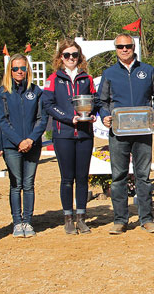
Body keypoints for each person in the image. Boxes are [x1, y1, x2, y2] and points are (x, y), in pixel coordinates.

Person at [96, 33, 154, 234]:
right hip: (118, 132)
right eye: (120, 47)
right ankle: (120, 220)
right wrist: (105, 116)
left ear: (134, 47)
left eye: (128, 46)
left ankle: (146, 218)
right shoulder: (109, 74)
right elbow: (101, 101)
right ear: (116, 49)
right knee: (118, 176)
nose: (124, 49)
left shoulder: (147, 70)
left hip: (143, 131)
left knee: (143, 176)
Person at [43, 39, 97, 235]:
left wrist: (92, 115)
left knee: (82, 178)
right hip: (63, 134)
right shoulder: (53, 79)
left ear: (79, 57)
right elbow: (48, 104)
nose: (71, 58)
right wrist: (68, 118)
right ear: (60, 58)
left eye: (74, 55)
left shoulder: (87, 79)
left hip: (84, 134)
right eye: (67, 55)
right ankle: (68, 218)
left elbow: (95, 101)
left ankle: (81, 218)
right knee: (67, 178)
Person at [0, 54, 48, 238]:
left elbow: (41, 119)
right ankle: (17, 222)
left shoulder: (36, 91)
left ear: (28, 70)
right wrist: (18, 141)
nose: (20, 72)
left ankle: (28, 221)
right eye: (16, 68)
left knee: (29, 184)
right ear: (10, 71)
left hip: (32, 144)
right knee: (16, 184)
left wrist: (30, 140)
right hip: (12, 146)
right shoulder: (3, 92)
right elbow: (2, 121)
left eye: (23, 68)